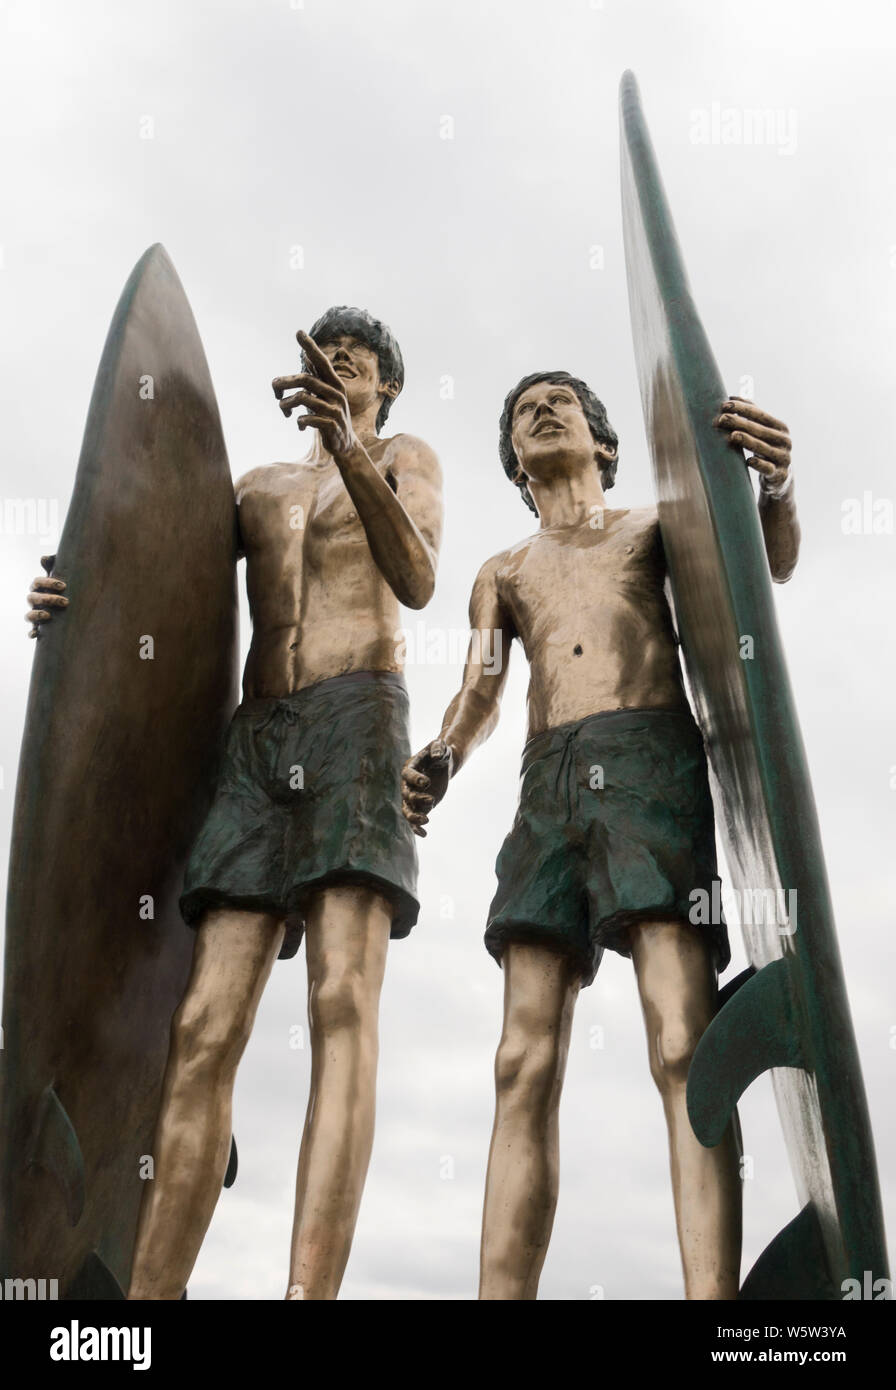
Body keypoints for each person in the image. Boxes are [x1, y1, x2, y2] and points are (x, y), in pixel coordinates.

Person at [28, 306, 443, 1300]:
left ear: (383, 385)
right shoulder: (253, 489)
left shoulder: (402, 456)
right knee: (203, 1026)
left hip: (357, 715)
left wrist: (351, 449)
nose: (339, 365)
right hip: (256, 743)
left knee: (342, 999)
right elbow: (158, 590)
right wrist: (67, 598)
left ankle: (309, 1293)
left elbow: (418, 576)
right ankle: (150, 1300)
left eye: (359, 361)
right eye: (326, 355)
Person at [401, 372, 796, 1299]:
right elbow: (482, 689)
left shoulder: (656, 526)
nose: (540, 408)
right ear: (512, 459)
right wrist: (445, 755)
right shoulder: (502, 570)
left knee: (680, 1040)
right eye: (522, 408)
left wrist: (775, 491)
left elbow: (759, 574)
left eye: (561, 401)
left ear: (603, 443)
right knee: (521, 1059)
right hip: (548, 786)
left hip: (651, 760)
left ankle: (715, 1305)